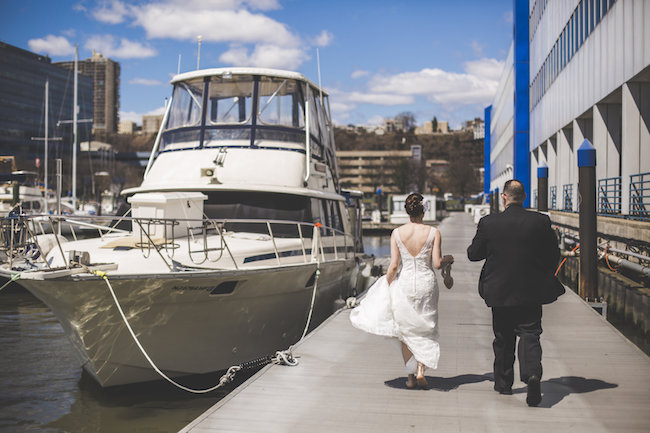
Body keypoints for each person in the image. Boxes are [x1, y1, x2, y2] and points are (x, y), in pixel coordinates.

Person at [467, 179, 565, 406]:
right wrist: (544, 275)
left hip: (499, 290)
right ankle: (532, 374)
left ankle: (503, 383)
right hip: (531, 289)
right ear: (524, 198)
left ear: (504, 197)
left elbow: (474, 254)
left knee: (503, 337)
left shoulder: (489, 222)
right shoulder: (540, 221)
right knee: (530, 333)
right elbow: (553, 254)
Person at [350, 193, 454, 388]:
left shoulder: (397, 234)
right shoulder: (433, 232)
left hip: (405, 283)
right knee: (426, 326)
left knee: (405, 329)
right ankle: (422, 369)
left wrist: (385, 286)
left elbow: (394, 266)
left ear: (407, 212)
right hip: (426, 283)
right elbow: (438, 264)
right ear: (424, 210)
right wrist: (448, 259)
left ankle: (411, 377)